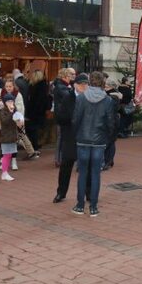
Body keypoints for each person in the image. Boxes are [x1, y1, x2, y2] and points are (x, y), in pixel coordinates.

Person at [71, 71, 117, 217]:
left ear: (90, 81)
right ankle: (93, 207)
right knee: (96, 174)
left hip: (83, 139)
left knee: (83, 173)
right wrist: (108, 138)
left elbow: (75, 119)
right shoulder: (108, 100)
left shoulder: (81, 98)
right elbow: (111, 122)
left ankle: (79, 205)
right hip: (99, 141)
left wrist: (76, 134)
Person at [54, 73, 88, 203]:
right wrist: (73, 118)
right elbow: (60, 117)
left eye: (86, 84)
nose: (84, 87)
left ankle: (89, 193)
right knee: (66, 165)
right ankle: (61, 192)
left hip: (85, 137)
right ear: (75, 85)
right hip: (70, 135)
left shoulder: (89, 98)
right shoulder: (68, 97)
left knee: (87, 166)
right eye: (81, 84)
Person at [52, 67, 76, 166]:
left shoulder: (64, 86)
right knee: (61, 137)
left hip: (62, 114)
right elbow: (68, 97)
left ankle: (60, 158)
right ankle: (59, 159)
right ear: (65, 76)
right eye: (70, 75)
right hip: (62, 115)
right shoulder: (61, 86)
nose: (72, 77)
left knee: (62, 137)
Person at [0, 94, 22, 181]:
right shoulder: (3, 111)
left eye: (12, 101)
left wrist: (20, 121)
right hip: (6, 136)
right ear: (5, 102)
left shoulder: (15, 110)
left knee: (10, 154)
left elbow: (18, 122)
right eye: (8, 101)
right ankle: (4, 173)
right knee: (6, 155)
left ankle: (5, 172)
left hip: (13, 136)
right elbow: (5, 122)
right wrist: (11, 113)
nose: (10, 103)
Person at [26, 69, 51, 152]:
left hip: (35, 113)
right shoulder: (42, 87)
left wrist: (31, 112)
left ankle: (34, 147)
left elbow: (37, 102)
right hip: (38, 113)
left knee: (33, 130)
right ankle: (35, 146)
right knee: (34, 130)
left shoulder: (37, 87)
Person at [102, 77, 122, 170]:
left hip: (112, 121)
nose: (104, 87)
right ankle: (109, 160)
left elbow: (110, 110)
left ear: (110, 86)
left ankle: (108, 161)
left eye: (106, 86)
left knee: (109, 142)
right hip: (114, 120)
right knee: (111, 141)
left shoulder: (111, 96)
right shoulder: (114, 95)